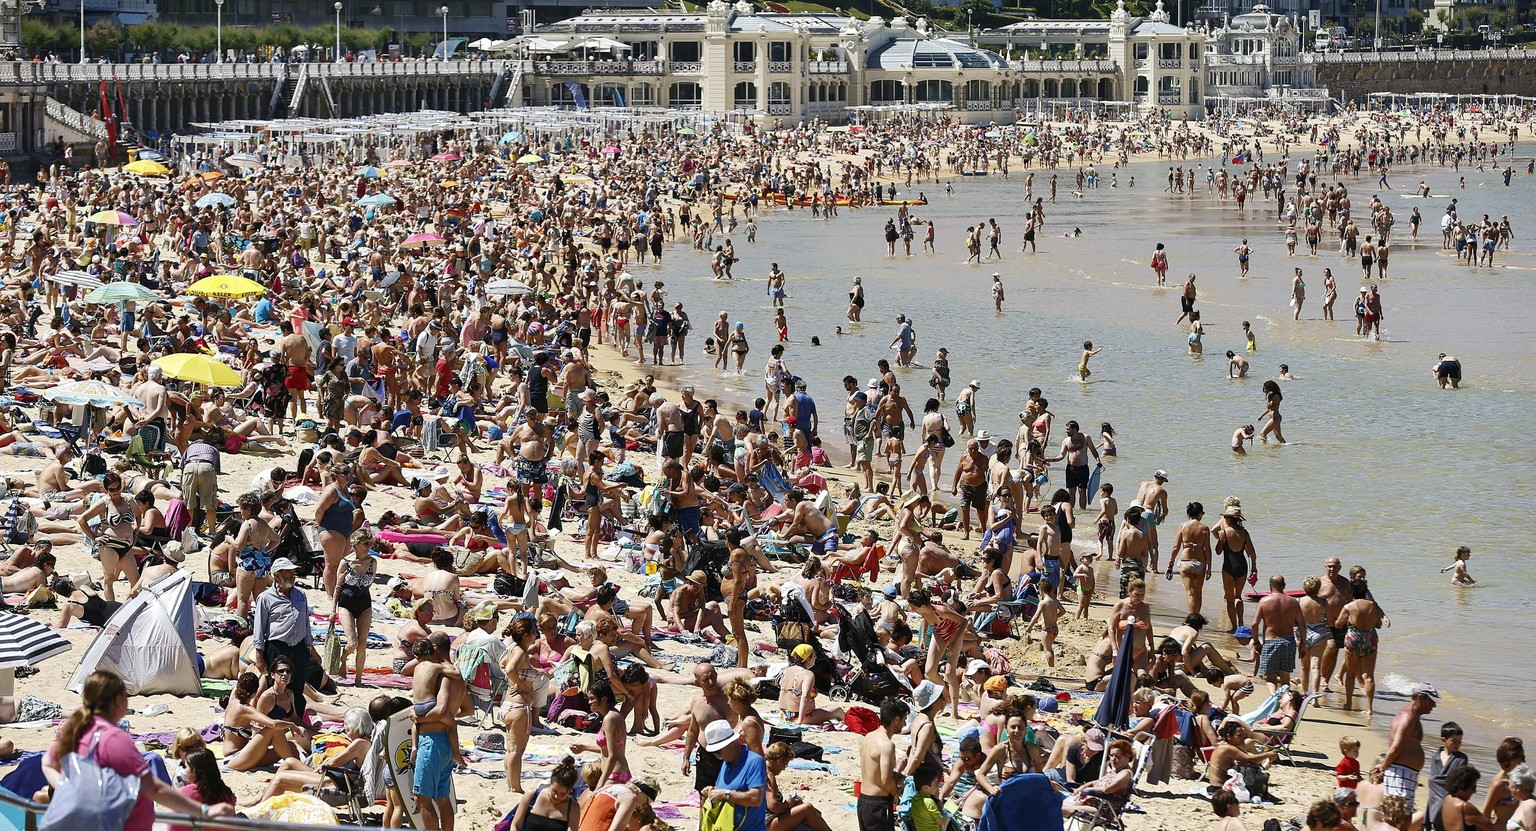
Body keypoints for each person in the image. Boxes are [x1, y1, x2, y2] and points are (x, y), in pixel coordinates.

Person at [42, 671, 237, 831]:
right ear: (119, 700)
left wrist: (67, 787)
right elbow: (154, 788)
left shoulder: (78, 729)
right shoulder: (113, 739)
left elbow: (48, 762)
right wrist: (204, 812)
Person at [252, 558, 320, 724]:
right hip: (277, 648)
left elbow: (305, 623)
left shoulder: (300, 595)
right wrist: (259, 655)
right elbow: (259, 628)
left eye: (293, 572)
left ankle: (295, 720)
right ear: (277, 575)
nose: (292, 575)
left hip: (299, 648)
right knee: (275, 687)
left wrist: (311, 648)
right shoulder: (265, 598)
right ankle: (271, 721)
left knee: (297, 686)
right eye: (288, 572)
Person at [1379, 684, 1439, 815]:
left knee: (1405, 815)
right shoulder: (1406, 718)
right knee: (1396, 816)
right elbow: (1395, 747)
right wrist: (1383, 767)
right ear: (1421, 698)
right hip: (1399, 774)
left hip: (1406, 774)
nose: (1434, 706)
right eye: (1432, 701)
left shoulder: (1413, 717)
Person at [701, 719, 767, 831]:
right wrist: (712, 791)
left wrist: (726, 794)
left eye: (718, 752)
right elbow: (722, 788)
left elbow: (756, 798)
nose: (717, 756)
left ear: (730, 745)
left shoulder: (754, 761)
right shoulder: (726, 763)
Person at [858, 698, 910, 831]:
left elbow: (873, 769)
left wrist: (895, 775)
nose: (905, 724)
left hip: (863, 801)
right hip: (878, 804)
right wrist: (896, 792)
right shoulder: (887, 745)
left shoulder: (869, 737)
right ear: (896, 719)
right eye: (904, 719)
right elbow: (885, 780)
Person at [764, 742, 833, 831]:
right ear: (779, 760)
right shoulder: (769, 775)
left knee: (800, 805)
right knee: (807, 808)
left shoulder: (761, 768)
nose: (784, 768)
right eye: (785, 764)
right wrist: (788, 804)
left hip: (761, 820)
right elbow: (773, 806)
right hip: (767, 825)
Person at [510, 756, 583, 831]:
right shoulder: (532, 795)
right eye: (554, 791)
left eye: (562, 794)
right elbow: (515, 825)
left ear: (570, 791)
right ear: (550, 783)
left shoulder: (572, 808)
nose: (556, 796)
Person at [1424, 723, 1468, 831]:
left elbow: (1458, 782)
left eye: (1460, 741)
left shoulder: (1462, 759)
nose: (1458, 744)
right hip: (1434, 798)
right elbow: (1434, 781)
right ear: (1443, 740)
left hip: (1450, 798)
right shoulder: (1436, 756)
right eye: (1454, 741)